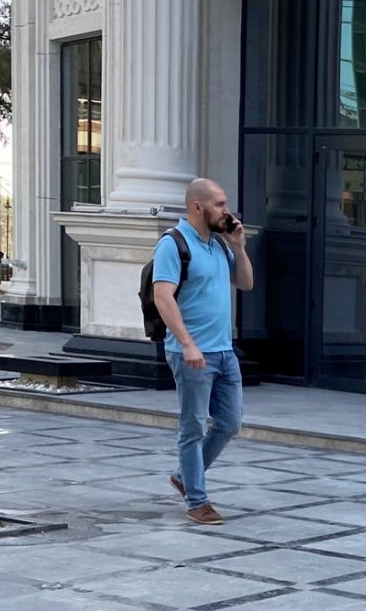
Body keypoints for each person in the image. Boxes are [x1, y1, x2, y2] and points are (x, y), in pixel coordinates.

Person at [152, 178, 254, 525]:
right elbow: (163, 297)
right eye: (220, 204)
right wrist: (187, 343)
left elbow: (246, 283)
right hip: (192, 354)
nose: (227, 211)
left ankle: (184, 476)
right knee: (192, 427)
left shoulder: (219, 245)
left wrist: (239, 247)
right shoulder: (173, 244)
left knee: (230, 423)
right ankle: (197, 501)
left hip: (224, 351)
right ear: (198, 206)